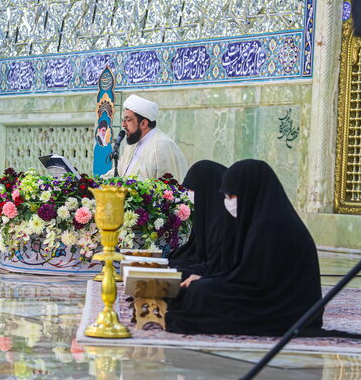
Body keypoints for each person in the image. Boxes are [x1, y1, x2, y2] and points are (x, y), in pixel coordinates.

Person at [166, 159, 323, 336]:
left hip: (281, 308)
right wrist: (207, 276)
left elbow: (252, 280)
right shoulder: (255, 221)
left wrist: (209, 280)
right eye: (225, 196)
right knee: (195, 289)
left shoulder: (271, 226)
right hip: (263, 294)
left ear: (250, 193)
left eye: (231, 196)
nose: (227, 202)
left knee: (200, 292)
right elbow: (237, 268)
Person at [166, 160, 233, 283]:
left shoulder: (226, 221)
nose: (190, 194)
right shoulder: (207, 213)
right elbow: (194, 253)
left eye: (193, 190)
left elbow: (219, 265)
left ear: (207, 188)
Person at [103, 94, 187, 181]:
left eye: (128, 120)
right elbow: (118, 171)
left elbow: (171, 188)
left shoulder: (162, 145)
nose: (123, 125)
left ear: (143, 123)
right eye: (123, 120)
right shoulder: (133, 145)